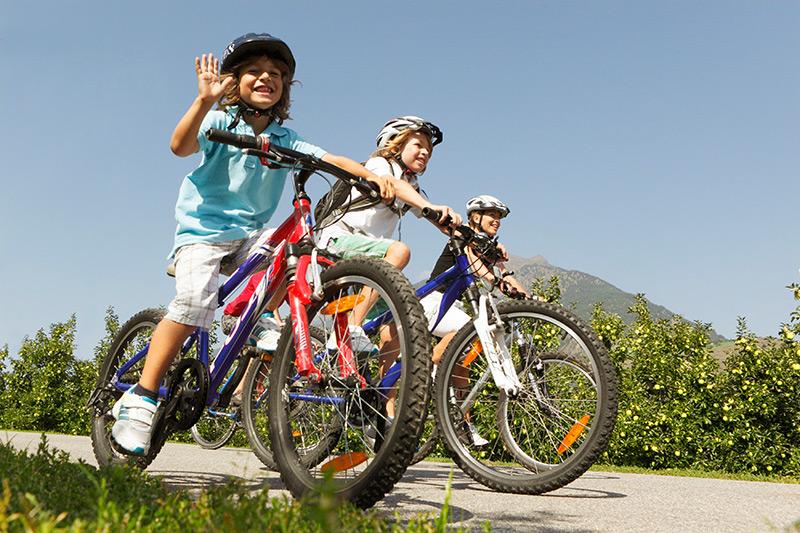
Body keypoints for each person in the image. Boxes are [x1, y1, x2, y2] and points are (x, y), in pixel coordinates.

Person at [110, 33, 395, 456]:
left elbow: (331, 159)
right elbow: (180, 146)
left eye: (277, 74)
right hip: (202, 231)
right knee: (192, 304)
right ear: (235, 81)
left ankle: (255, 318)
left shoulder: (285, 138)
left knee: (288, 254)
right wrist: (204, 101)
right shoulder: (222, 121)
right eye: (256, 72)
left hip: (250, 236)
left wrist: (372, 176)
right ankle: (142, 396)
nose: (268, 78)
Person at [316, 116, 461, 350]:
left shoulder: (411, 185)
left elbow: (429, 214)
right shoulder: (379, 165)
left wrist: (460, 229)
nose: (425, 153)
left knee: (395, 331)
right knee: (399, 251)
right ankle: (352, 328)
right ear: (395, 144)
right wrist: (431, 207)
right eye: (418, 145)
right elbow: (395, 186)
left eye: (429, 150)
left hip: (368, 260)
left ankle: (387, 388)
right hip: (336, 240)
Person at [420, 194, 529, 446]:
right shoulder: (465, 233)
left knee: (464, 362)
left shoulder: (489, 245)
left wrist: (530, 299)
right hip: (433, 301)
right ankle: (430, 371)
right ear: (475, 217)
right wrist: (495, 280)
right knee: (465, 330)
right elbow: (473, 262)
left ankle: (462, 421)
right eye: (492, 215)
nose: (497, 220)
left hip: (451, 305)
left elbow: (506, 275)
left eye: (499, 217)